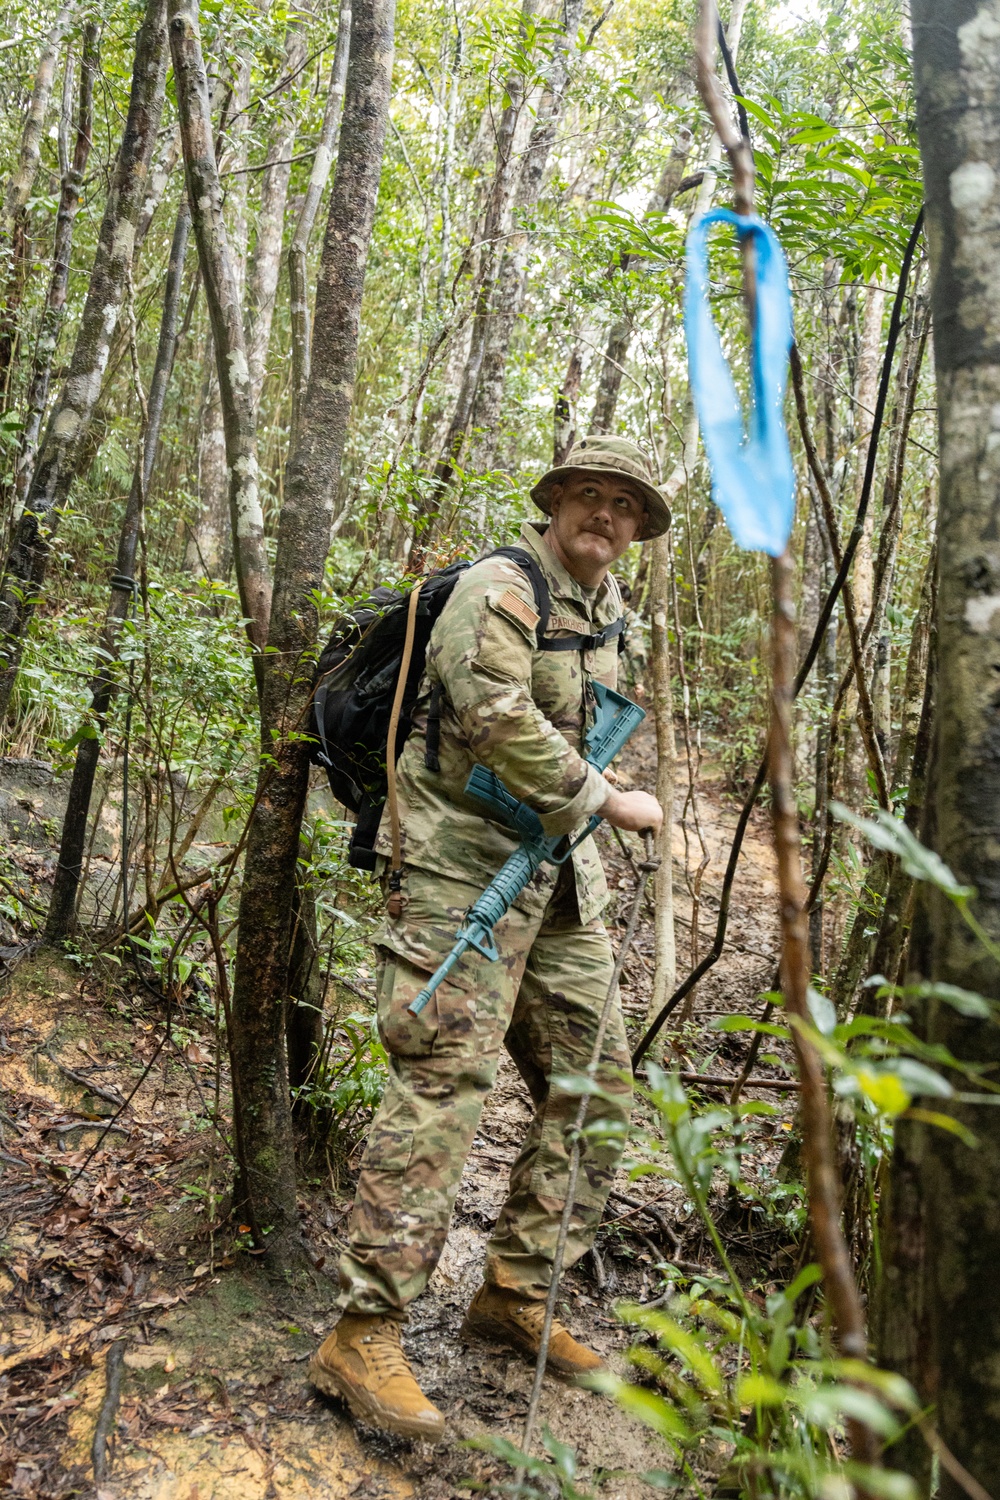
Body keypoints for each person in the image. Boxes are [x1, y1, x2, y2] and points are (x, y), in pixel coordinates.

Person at [309, 435, 670, 1439]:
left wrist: (593, 809)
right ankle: (363, 1330)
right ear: (556, 503)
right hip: (458, 870)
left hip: (556, 882)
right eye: (589, 496)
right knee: (443, 1084)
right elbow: (494, 717)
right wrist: (605, 794)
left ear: (637, 529)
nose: (604, 515)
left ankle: (514, 1293)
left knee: (596, 1083)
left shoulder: (610, 618)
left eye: (623, 505)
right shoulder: (497, 587)